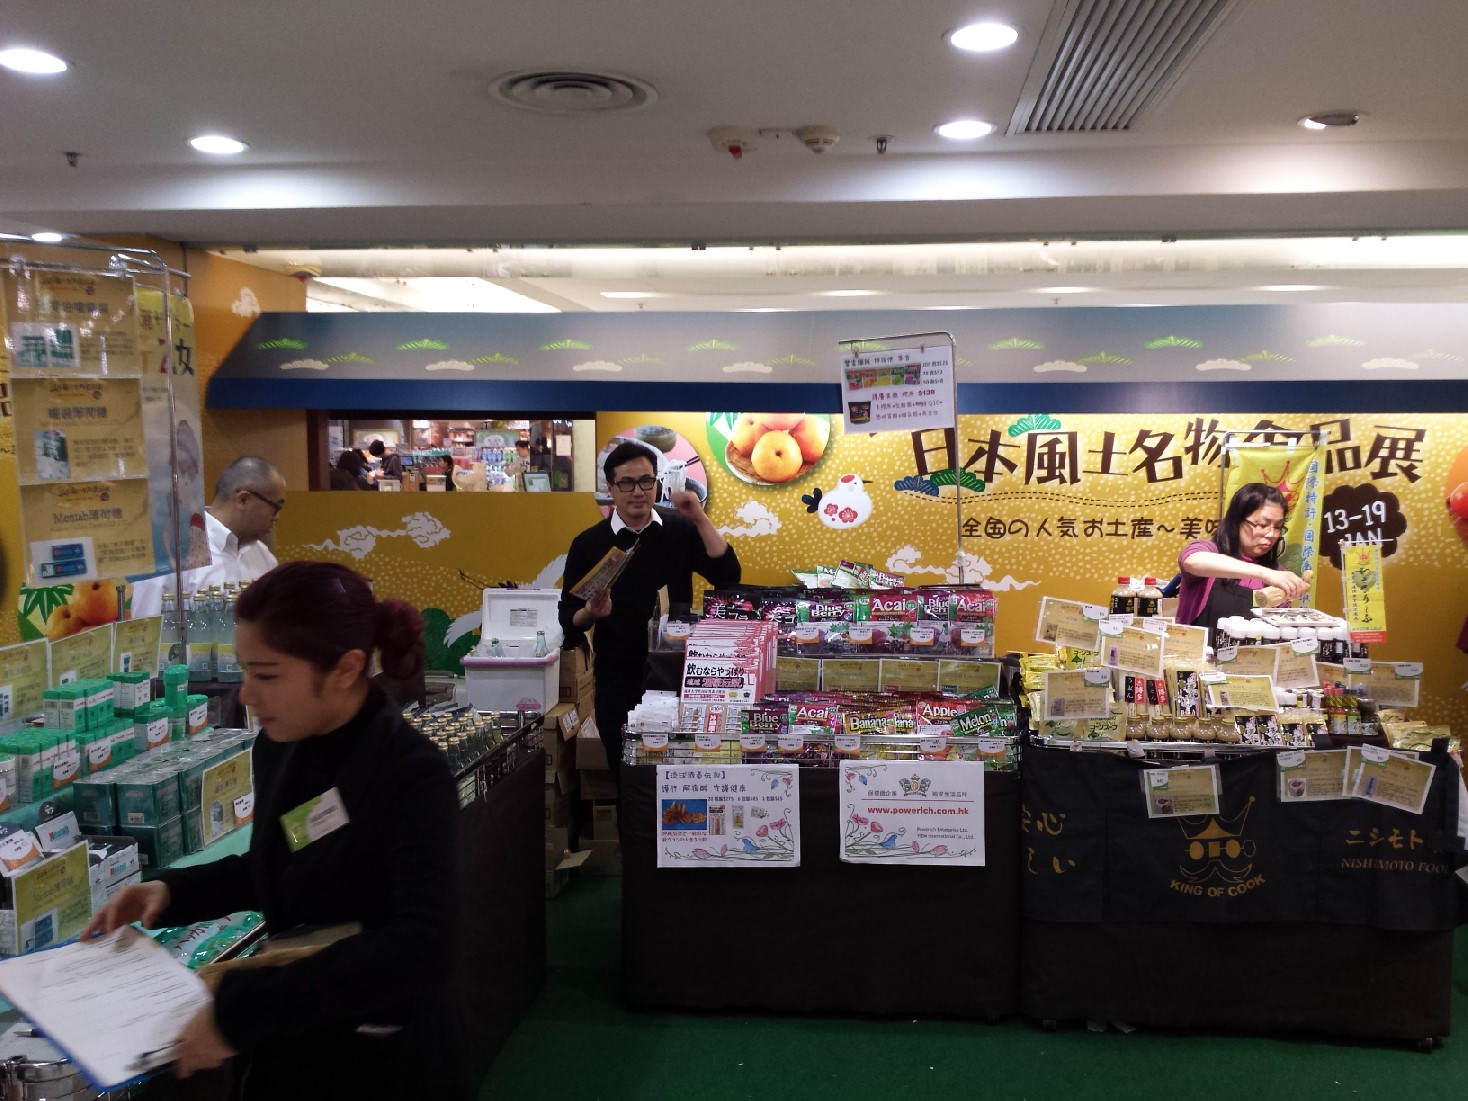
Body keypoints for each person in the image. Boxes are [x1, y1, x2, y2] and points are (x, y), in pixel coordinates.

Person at [83, 561, 463, 1100]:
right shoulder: (281, 748)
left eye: (266, 675)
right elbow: (282, 864)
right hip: (294, 1050)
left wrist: (243, 1010)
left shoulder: (409, 773)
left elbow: (422, 946)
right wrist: (171, 891)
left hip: (381, 1061)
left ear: (346, 668)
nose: (245, 695)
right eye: (244, 671)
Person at [559, 441, 741, 779]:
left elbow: (728, 576)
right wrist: (591, 612)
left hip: (676, 672)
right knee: (625, 771)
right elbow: (569, 618)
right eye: (626, 483)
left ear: (656, 483)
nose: (638, 491)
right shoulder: (588, 544)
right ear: (610, 488)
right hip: (617, 677)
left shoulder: (679, 529)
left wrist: (698, 516)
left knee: (680, 770)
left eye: (646, 481)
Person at [130, 457, 286, 617]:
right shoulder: (171, 550)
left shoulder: (264, 557)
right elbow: (147, 626)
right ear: (243, 500)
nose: (277, 517)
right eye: (276, 507)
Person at [1177, 481, 1310, 645]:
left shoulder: (1276, 573)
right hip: (1196, 657)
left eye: (1277, 527)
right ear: (1236, 521)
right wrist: (1265, 574)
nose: (1271, 534)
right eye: (1262, 525)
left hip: (1249, 659)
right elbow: (1192, 562)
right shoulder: (1208, 550)